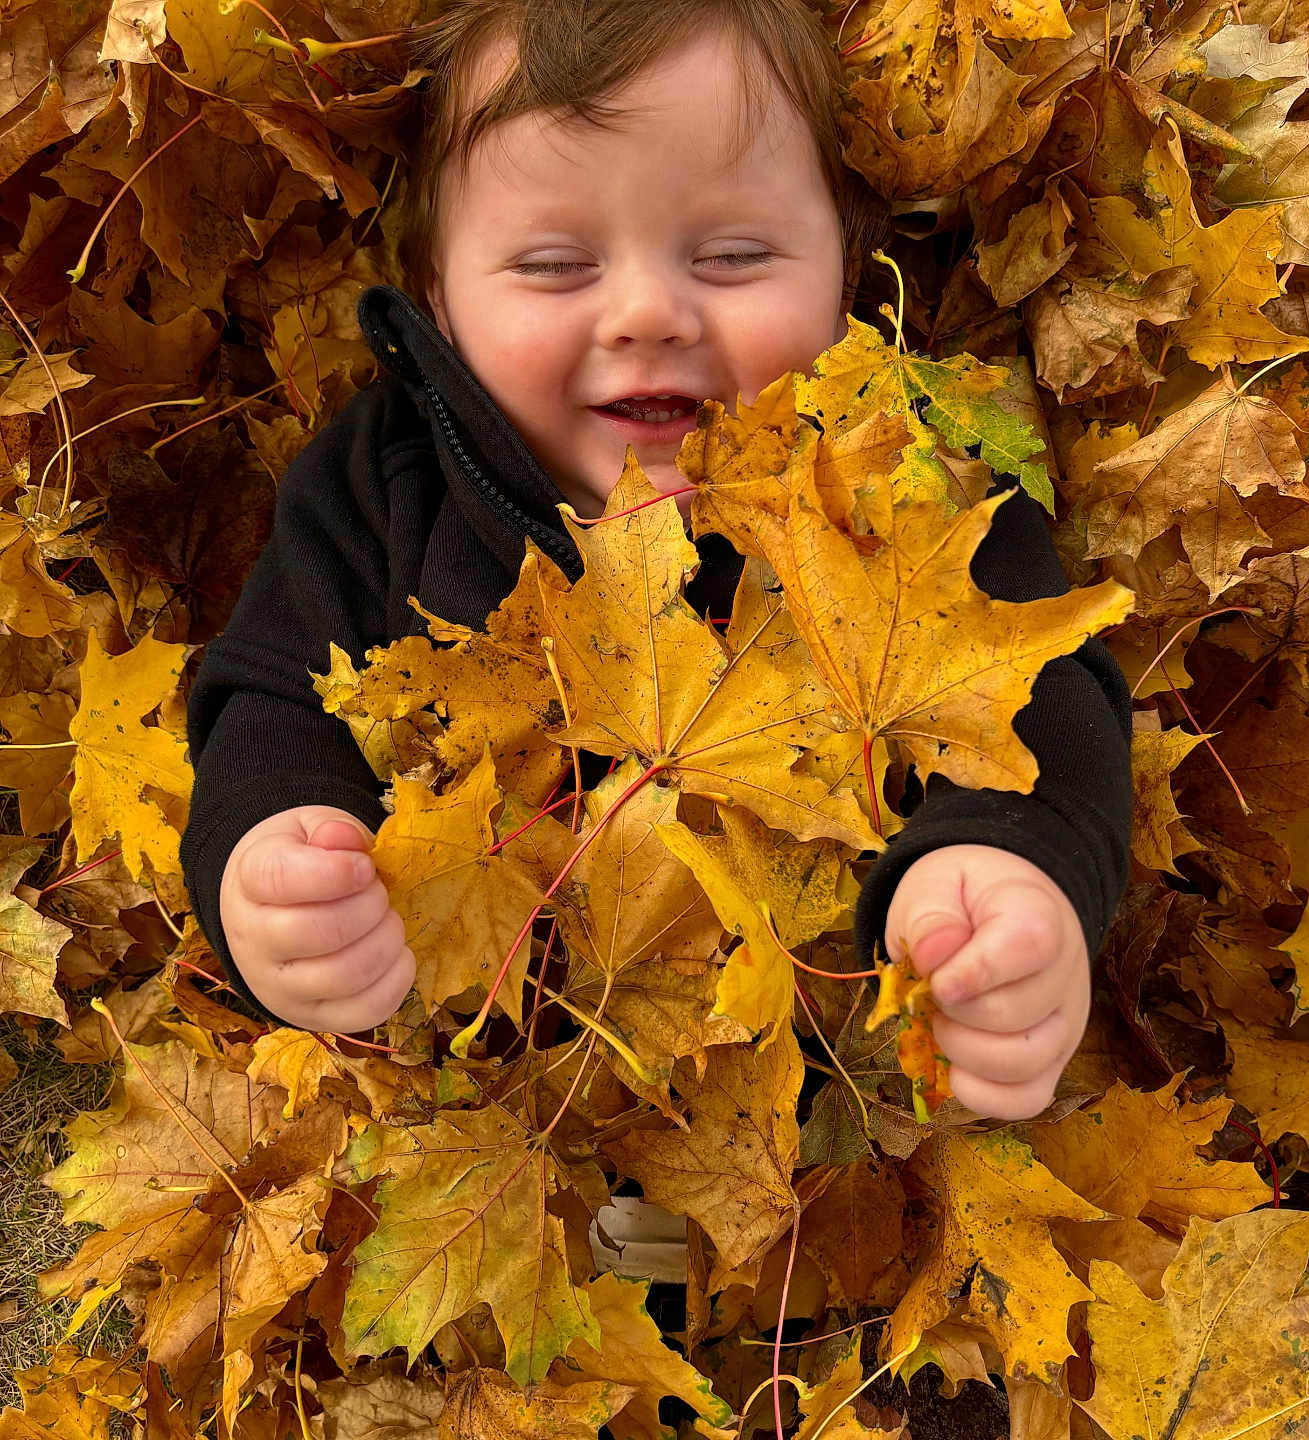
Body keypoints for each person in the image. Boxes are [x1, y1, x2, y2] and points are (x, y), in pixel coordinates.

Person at [180, 0, 1133, 1121]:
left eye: (733, 255)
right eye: (551, 264)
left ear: (845, 267)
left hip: (820, 1111)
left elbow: (1043, 698)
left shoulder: (903, 482)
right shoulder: (381, 480)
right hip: (499, 1103)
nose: (645, 310)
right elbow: (270, 696)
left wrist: (1009, 872)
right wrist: (270, 867)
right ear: (437, 293)